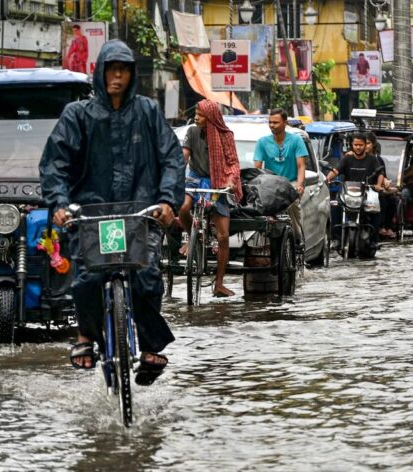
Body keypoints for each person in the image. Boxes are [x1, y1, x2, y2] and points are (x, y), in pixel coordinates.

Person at [40, 40, 184, 385]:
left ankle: (150, 347)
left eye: (124, 69)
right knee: (87, 280)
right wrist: (60, 204)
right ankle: (86, 337)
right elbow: (55, 164)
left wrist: (167, 201)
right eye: (111, 69)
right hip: (90, 214)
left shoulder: (148, 112)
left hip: (139, 214)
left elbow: (171, 159)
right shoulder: (78, 115)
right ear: (100, 72)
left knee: (147, 277)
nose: (117, 75)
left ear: (132, 74)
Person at [179, 99, 242, 298]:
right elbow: (184, 156)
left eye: (200, 114)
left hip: (218, 181)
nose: (196, 117)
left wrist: (231, 181)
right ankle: (192, 237)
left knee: (223, 236)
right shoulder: (191, 132)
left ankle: (220, 283)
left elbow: (232, 163)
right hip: (195, 178)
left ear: (211, 117)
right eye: (196, 114)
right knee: (182, 208)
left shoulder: (226, 136)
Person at [253, 108, 306, 245]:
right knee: (259, 209)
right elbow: (257, 168)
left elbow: (301, 166)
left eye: (275, 122)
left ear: (285, 123)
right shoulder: (262, 142)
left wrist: (300, 185)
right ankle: (262, 243)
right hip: (270, 184)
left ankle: (297, 237)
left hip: (290, 183)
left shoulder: (296, 140)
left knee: (293, 203)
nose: (272, 125)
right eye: (270, 122)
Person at [325, 132, 386, 248]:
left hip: (367, 194)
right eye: (356, 145)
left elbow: (380, 173)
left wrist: (378, 185)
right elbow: (336, 171)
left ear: (365, 145)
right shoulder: (347, 159)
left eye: (361, 145)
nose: (358, 147)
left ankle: (373, 240)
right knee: (335, 206)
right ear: (351, 145)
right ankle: (336, 238)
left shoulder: (372, 159)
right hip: (347, 193)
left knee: (376, 209)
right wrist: (327, 179)